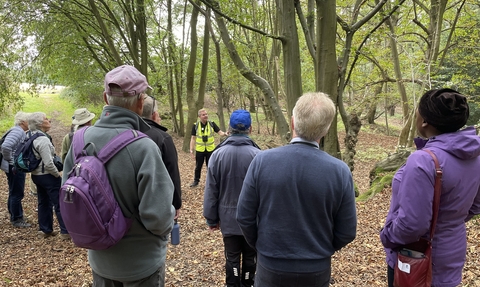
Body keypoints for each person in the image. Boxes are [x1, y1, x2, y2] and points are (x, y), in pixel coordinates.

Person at [63, 64, 175, 286]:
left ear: (105, 98)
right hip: (142, 265)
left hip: (100, 262)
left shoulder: (78, 141)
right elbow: (158, 218)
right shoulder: (144, 147)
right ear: (141, 102)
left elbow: (70, 198)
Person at [236, 92, 357, 287]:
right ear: (325, 130)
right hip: (315, 270)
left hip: (271, 267)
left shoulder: (262, 161)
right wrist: (321, 250)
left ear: (292, 123)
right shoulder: (339, 171)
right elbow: (347, 231)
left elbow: (244, 216)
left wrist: (262, 246)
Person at [380, 88, 480, 287]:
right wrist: (448, 221)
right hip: (451, 256)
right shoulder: (475, 156)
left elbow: (412, 225)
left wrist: (387, 235)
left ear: (424, 121)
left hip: (416, 259)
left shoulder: (423, 160)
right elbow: (476, 205)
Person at [203, 109, 260, 287]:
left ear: (229, 128)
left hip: (228, 219)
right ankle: (248, 283)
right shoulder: (259, 156)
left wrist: (211, 218)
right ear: (250, 129)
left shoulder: (217, 155)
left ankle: (233, 284)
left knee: (232, 257)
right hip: (252, 220)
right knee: (250, 257)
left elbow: (211, 190)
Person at [28, 112, 69, 239]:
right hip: (47, 176)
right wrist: (57, 175)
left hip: (36, 175)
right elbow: (48, 163)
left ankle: (45, 229)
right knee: (59, 202)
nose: (49, 121)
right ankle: (65, 231)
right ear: (40, 124)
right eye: (46, 119)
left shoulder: (30, 135)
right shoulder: (43, 139)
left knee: (43, 202)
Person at [141, 96, 182, 219]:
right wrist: (176, 203)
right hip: (159, 202)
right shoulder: (163, 138)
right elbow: (172, 171)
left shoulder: (126, 133)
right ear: (154, 115)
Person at [1, 111, 31, 227]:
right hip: (14, 167)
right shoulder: (18, 132)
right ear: (23, 122)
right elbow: (6, 146)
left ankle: (15, 214)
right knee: (17, 192)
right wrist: (11, 161)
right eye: (28, 121)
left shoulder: (17, 130)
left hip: (12, 166)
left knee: (14, 190)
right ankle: (17, 219)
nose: (30, 123)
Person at [189, 108, 226, 187]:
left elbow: (220, 132)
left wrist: (226, 133)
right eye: (203, 115)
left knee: (210, 166)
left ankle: (211, 182)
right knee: (198, 167)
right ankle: (196, 181)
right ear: (199, 116)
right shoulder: (195, 125)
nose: (205, 116)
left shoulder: (212, 124)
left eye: (206, 114)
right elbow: (193, 138)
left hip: (210, 150)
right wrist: (191, 150)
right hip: (200, 150)